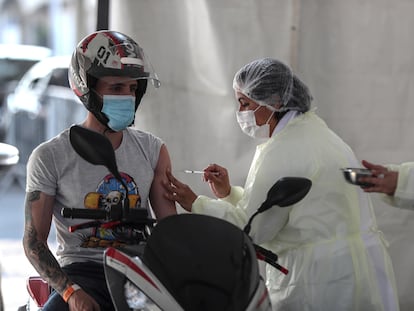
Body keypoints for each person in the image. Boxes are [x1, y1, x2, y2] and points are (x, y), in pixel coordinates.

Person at [164, 58, 399, 310]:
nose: (241, 113)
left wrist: (196, 203)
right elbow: (280, 206)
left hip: (323, 281)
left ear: (275, 102)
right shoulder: (319, 134)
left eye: (245, 103)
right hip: (362, 270)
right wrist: (230, 194)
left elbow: (251, 229)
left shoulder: (283, 150)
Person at [22, 30, 176, 311]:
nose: (127, 97)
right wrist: (71, 292)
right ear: (87, 88)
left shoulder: (153, 149)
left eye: (132, 89)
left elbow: (170, 231)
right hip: (81, 271)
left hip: (138, 271)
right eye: (116, 88)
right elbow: (34, 241)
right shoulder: (50, 156)